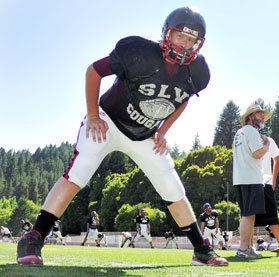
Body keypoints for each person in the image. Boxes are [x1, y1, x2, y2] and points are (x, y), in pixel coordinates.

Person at [16, 7, 227, 266]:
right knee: (79, 172)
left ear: (199, 44)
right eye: (179, 36)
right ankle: (35, 235)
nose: (184, 44)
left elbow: (183, 99)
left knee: (172, 186)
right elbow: (94, 70)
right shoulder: (138, 52)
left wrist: (163, 131)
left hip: (145, 133)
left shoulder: (198, 71)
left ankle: (200, 249)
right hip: (108, 121)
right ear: (166, 34)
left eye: (191, 40)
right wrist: (93, 115)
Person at [233, 104, 271, 258]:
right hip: (251, 178)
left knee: (247, 214)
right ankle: (243, 248)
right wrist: (267, 144)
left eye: (263, 114)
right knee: (248, 215)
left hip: (240, 178)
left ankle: (248, 247)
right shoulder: (252, 132)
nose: (262, 117)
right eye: (259, 114)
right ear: (250, 117)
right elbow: (257, 153)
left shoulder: (239, 132)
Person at [258, 136, 279, 249]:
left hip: (266, 181)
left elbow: (277, 159)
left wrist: (273, 179)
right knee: (249, 216)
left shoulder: (270, 140)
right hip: (250, 181)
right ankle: (249, 247)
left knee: (272, 215)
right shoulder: (246, 138)